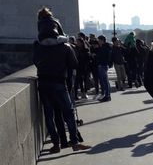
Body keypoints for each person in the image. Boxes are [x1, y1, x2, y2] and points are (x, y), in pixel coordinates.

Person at [33, 9, 90, 153]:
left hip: (43, 83)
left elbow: (35, 62)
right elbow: (74, 64)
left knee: (49, 115)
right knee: (69, 113)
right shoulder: (64, 46)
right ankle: (75, 143)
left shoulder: (38, 45)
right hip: (59, 82)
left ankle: (56, 144)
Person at [93, 35, 113, 101]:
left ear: (102, 40)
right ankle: (107, 95)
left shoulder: (104, 47)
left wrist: (96, 55)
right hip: (104, 65)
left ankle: (107, 96)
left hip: (103, 65)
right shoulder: (107, 46)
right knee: (106, 81)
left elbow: (102, 56)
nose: (98, 41)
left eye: (99, 40)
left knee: (105, 81)